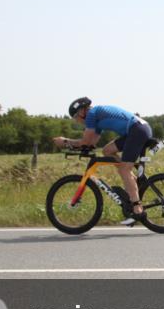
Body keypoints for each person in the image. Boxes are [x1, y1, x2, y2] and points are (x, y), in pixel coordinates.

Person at [52, 97, 153, 226]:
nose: (77, 121)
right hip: (137, 129)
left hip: (137, 130)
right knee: (107, 151)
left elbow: (85, 141)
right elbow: (91, 143)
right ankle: (132, 183)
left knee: (124, 169)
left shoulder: (91, 115)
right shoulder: (96, 117)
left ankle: (137, 210)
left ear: (82, 111)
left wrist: (65, 141)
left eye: (76, 117)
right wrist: (79, 146)